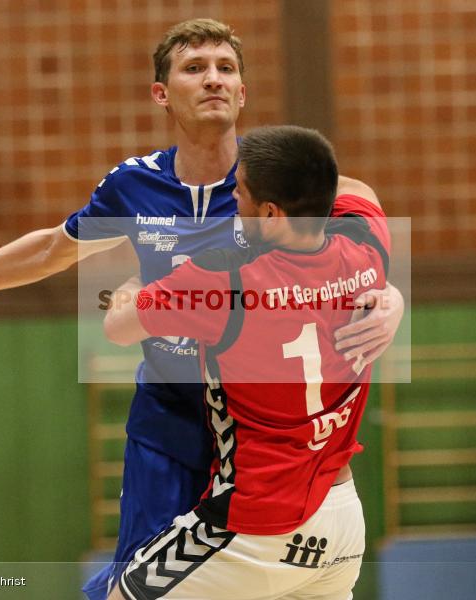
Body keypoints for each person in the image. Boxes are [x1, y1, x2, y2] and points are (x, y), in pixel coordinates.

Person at [0, 19, 402, 599]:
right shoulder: (133, 185)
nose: (213, 80)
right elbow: (50, 248)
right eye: (195, 69)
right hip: (172, 421)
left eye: (226, 69)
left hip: (262, 437)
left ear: (243, 92)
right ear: (161, 94)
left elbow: (356, 203)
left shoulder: (267, 177)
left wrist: (393, 297)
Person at [102, 125, 400, 600]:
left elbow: (117, 326)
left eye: (238, 192)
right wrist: (395, 297)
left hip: (258, 525)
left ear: (269, 213)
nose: (231, 200)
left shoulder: (227, 279)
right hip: (341, 515)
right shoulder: (367, 250)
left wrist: (141, 279)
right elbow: (358, 191)